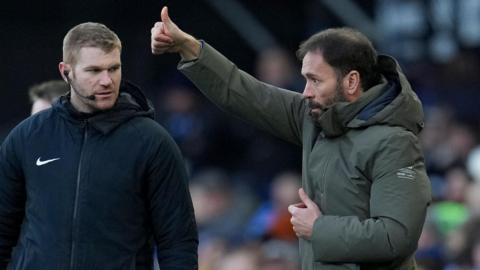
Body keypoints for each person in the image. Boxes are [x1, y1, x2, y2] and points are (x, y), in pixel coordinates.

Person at [151, 6, 431, 270]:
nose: (306, 91)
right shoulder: (315, 116)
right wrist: (189, 48)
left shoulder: (395, 143)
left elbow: (397, 237)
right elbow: (245, 93)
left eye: (316, 80)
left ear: (351, 82)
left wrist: (319, 229)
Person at [0, 22, 198, 270]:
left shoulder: (153, 142)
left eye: (113, 68)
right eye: (94, 70)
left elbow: (178, 241)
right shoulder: (26, 137)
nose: (107, 80)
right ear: (66, 72)